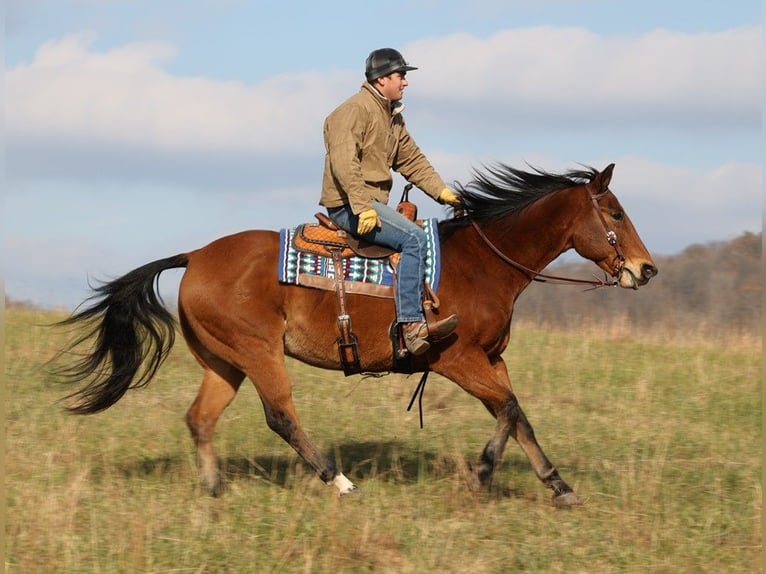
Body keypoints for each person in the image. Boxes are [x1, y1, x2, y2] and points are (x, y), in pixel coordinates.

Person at [320, 48, 460, 356]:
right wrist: (361, 206)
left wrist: (442, 191)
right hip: (349, 205)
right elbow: (344, 163)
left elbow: (411, 159)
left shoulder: (392, 117)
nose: (406, 82)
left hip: (368, 202)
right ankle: (410, 326)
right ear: (382, 79)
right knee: (414, 238)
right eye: (402, 76)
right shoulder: (353, 111)